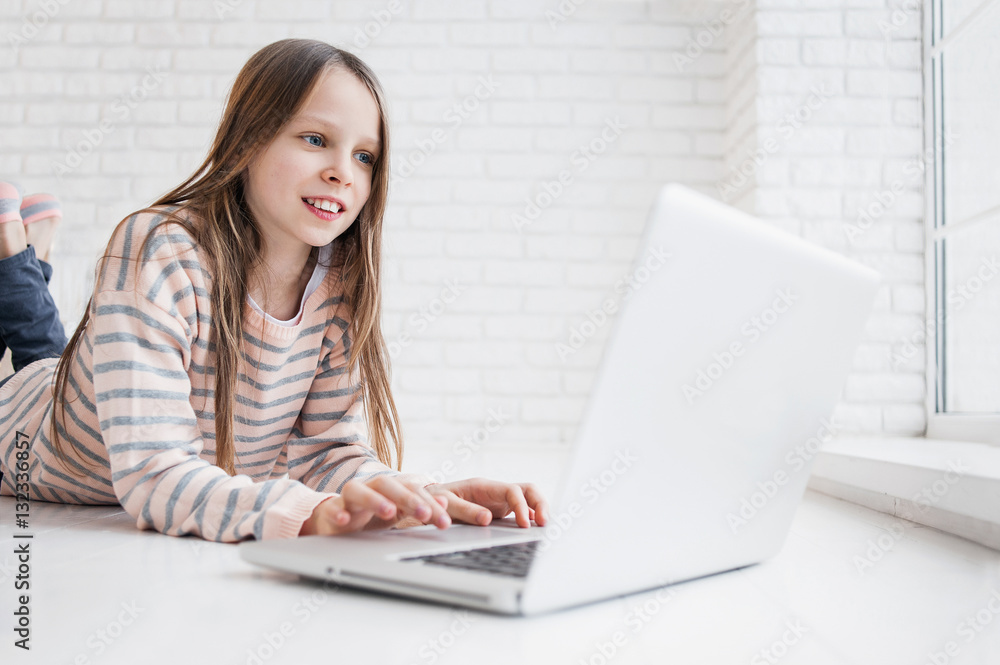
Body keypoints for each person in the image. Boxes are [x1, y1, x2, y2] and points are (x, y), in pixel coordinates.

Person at [0, 39, 547, 542]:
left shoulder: (338, 280)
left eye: (365, 156)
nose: (343, 172)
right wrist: (307, 515)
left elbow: (328, 454)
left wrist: (422, 497)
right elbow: (154, 474)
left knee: (49, 354)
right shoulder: (160, 249)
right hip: (24, 432)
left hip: (85, 385)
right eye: (316, 140)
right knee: (39, 361)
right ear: (248, 141)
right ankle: (17, 256)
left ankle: (26, 258)